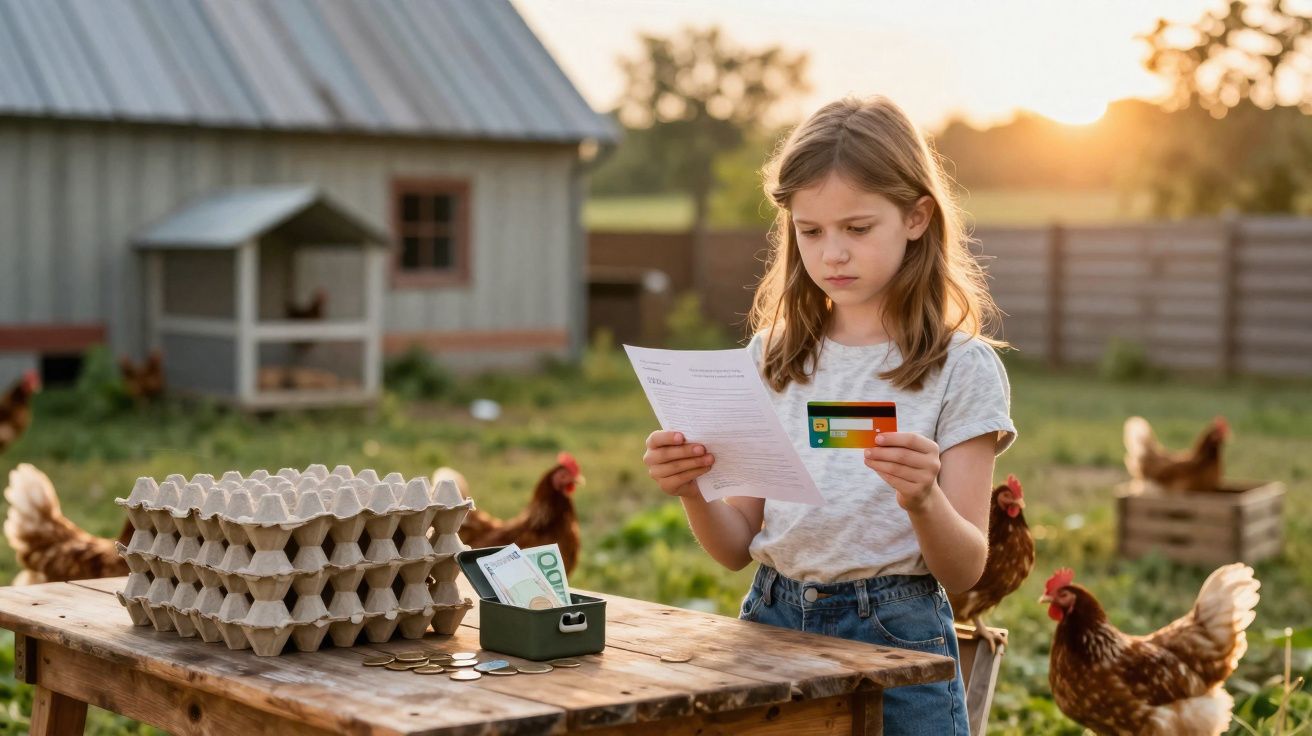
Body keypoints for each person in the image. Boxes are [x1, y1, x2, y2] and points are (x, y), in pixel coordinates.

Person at [641, 95, 1017, 736]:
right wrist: (694, 490)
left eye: (857, 228)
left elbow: (965, 570)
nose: (831, 253)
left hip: (899, 630)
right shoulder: (773, 356)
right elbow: (735, 547)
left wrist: (924, 499)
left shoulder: (962, 367)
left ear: (918, 217)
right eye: (810, 231)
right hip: (771, 618)